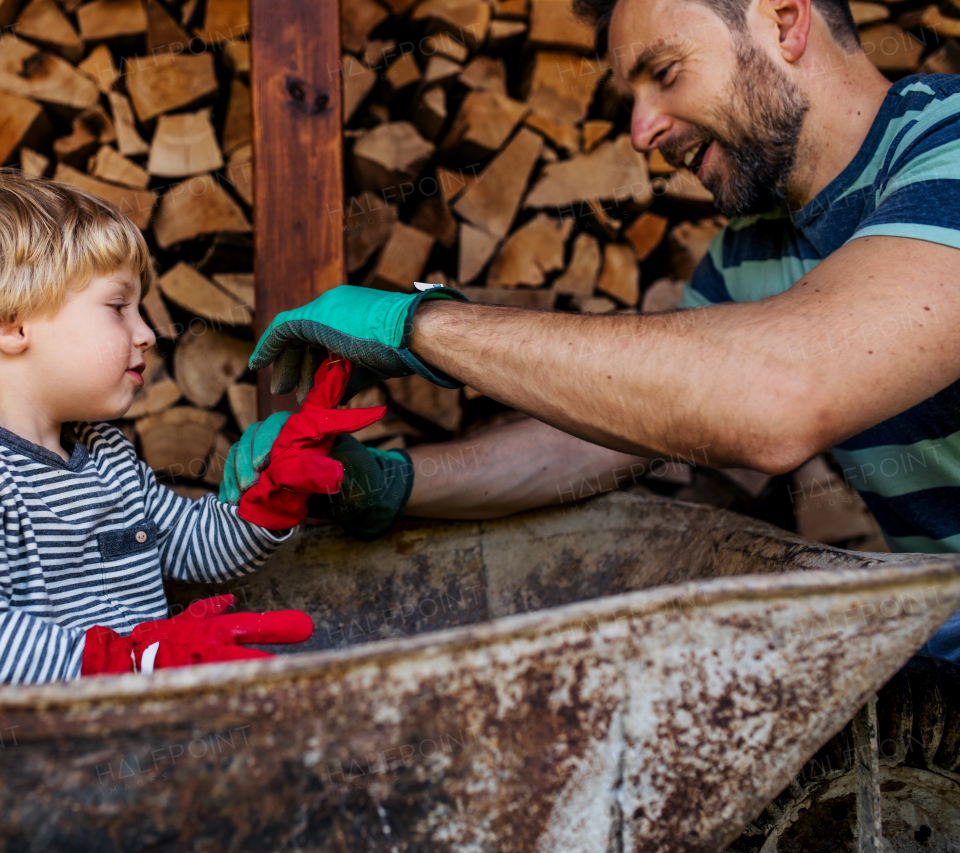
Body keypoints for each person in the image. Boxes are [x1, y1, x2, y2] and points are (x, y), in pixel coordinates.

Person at [222, 0, 960, 660]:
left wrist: (422, 325)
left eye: (664, 72)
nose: (641, 131)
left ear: (786, 20)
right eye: (633, 96)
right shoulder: (755, 252)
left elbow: (780, 392)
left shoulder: (951, 146)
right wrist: (390, 482)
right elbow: (608, 432)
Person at [0, 171, 322, 695]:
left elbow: (190, 547)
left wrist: (269, 501)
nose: (146, 333)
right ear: (11, 323)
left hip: (106, 738)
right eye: (119, 306)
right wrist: (132, 660)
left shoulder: (104, 455)